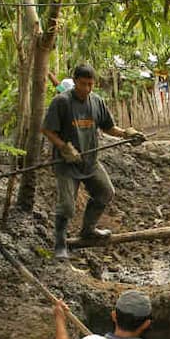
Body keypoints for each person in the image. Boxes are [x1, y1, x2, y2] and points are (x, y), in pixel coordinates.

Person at [41, 64, 141, 259]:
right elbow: (47, 130)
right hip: (66, 164)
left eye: (90, 84)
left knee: (105, 192)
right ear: (75, 81)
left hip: (90, 162)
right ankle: (60, 244)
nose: (86, 89)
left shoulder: (96, 102)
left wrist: (127, 134)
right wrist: (64, 147)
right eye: (82, 84)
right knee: (68, 206)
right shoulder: (61, 102)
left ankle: (88, 229)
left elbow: (109, 127)